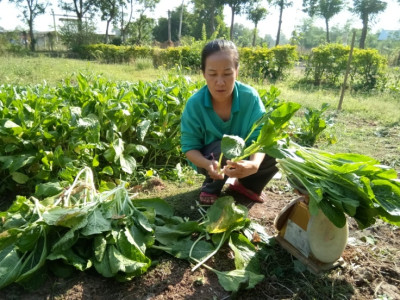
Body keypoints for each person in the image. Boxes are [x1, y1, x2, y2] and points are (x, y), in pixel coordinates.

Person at [180, 39, 278, 205]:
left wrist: (254, 164)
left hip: (244, 154)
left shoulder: (250, 97)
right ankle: (211, 186)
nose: (220, 82)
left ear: (237, 72)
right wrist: (206, 164)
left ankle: (248, 186)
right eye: (212, 74)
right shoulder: (194, 104)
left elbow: (261, 138)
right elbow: (189, 147)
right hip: (210, 157)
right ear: (204, 74)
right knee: (224, 148)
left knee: (277, 147)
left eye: (227, 73)